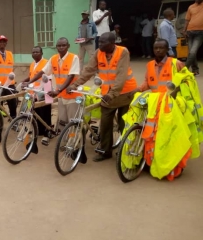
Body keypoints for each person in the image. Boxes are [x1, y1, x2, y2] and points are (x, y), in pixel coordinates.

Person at [67, 32, 137, 162]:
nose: (100, 45)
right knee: (105, 123)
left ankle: (127, 150)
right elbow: (88, 70)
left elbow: (121, 76)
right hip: (107, 94)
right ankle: (106, 151)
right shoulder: (99, 53)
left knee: (124, 124)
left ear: (112, 43)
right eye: (99, 42)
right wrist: (75, 85)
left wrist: (112, 93)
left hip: (125, 92)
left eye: (103, 42)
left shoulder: (123, 52)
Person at [27, 38, 80, 145]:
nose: (61, 47)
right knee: (62, 122)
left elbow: (70, 76)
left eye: (63, 45)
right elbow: (42, 72)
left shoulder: (73, 58)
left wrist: (58, 90)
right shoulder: (54, 59)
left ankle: (72, 143)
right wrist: (29, 82)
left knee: (73, 122)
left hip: (72, 96)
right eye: (59, 46)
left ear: (68, 46)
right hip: (61, 96)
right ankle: (65, 141)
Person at [22, 46, 52, 145]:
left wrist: (42, 91)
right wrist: (24, 81)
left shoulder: (47, 63)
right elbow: (31, 76)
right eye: (33, 52)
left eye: (37, 52)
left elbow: (48, 78)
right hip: (33, 92)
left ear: (41, 53)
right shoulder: (32, 64)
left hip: (45, 91)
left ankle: (47, 134)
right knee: (36, 112)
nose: (35, 53)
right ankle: (39, 130)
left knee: (45, 113)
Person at [183, 0, 203, 76]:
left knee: (193, 52)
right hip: (190, 32)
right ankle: (195, 70)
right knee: (191, 52)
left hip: (200, 32)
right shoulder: (191, 7)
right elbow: (187, 20)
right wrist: (184, 30)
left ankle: (184, 69)